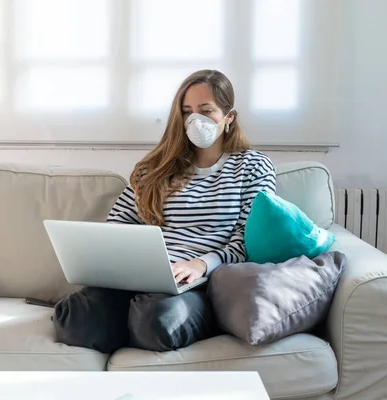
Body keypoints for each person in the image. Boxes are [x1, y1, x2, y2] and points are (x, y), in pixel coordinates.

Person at [53, 69, 276, 354]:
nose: (196, 120)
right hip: (139, 278)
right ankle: (124, 320)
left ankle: (130, 324)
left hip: (198, 284)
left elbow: (248, 241)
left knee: (156, 320)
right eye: (187, 111)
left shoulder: (252, 167)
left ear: (229, 117)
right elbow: (116, 224)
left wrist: (201, 264)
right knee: (76, 317)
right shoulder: (156, 168)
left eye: (206, 110)